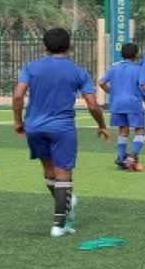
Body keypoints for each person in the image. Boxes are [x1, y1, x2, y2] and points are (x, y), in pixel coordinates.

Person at [12, 28, 110, 237]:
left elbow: (18, 96)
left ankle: (66, 201)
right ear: (69, 46)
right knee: (63, 173)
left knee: (49, 171)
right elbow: (92, 104)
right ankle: (58, 225)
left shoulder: (31, 67)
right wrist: (101, 125)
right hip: (62, 128)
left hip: (35, 126)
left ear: (45, 47)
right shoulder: (78, 71)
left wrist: (18, 121)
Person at [99, 42, 145, 171]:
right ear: (136, 54)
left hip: (116, 104)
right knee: (140, 130)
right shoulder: (138, 69)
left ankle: (121, 158)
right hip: (133, 103)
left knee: (123, 130)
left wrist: (111, 92)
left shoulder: (114, 68)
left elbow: (101, 82)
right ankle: (132, 157)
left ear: (122, 54)